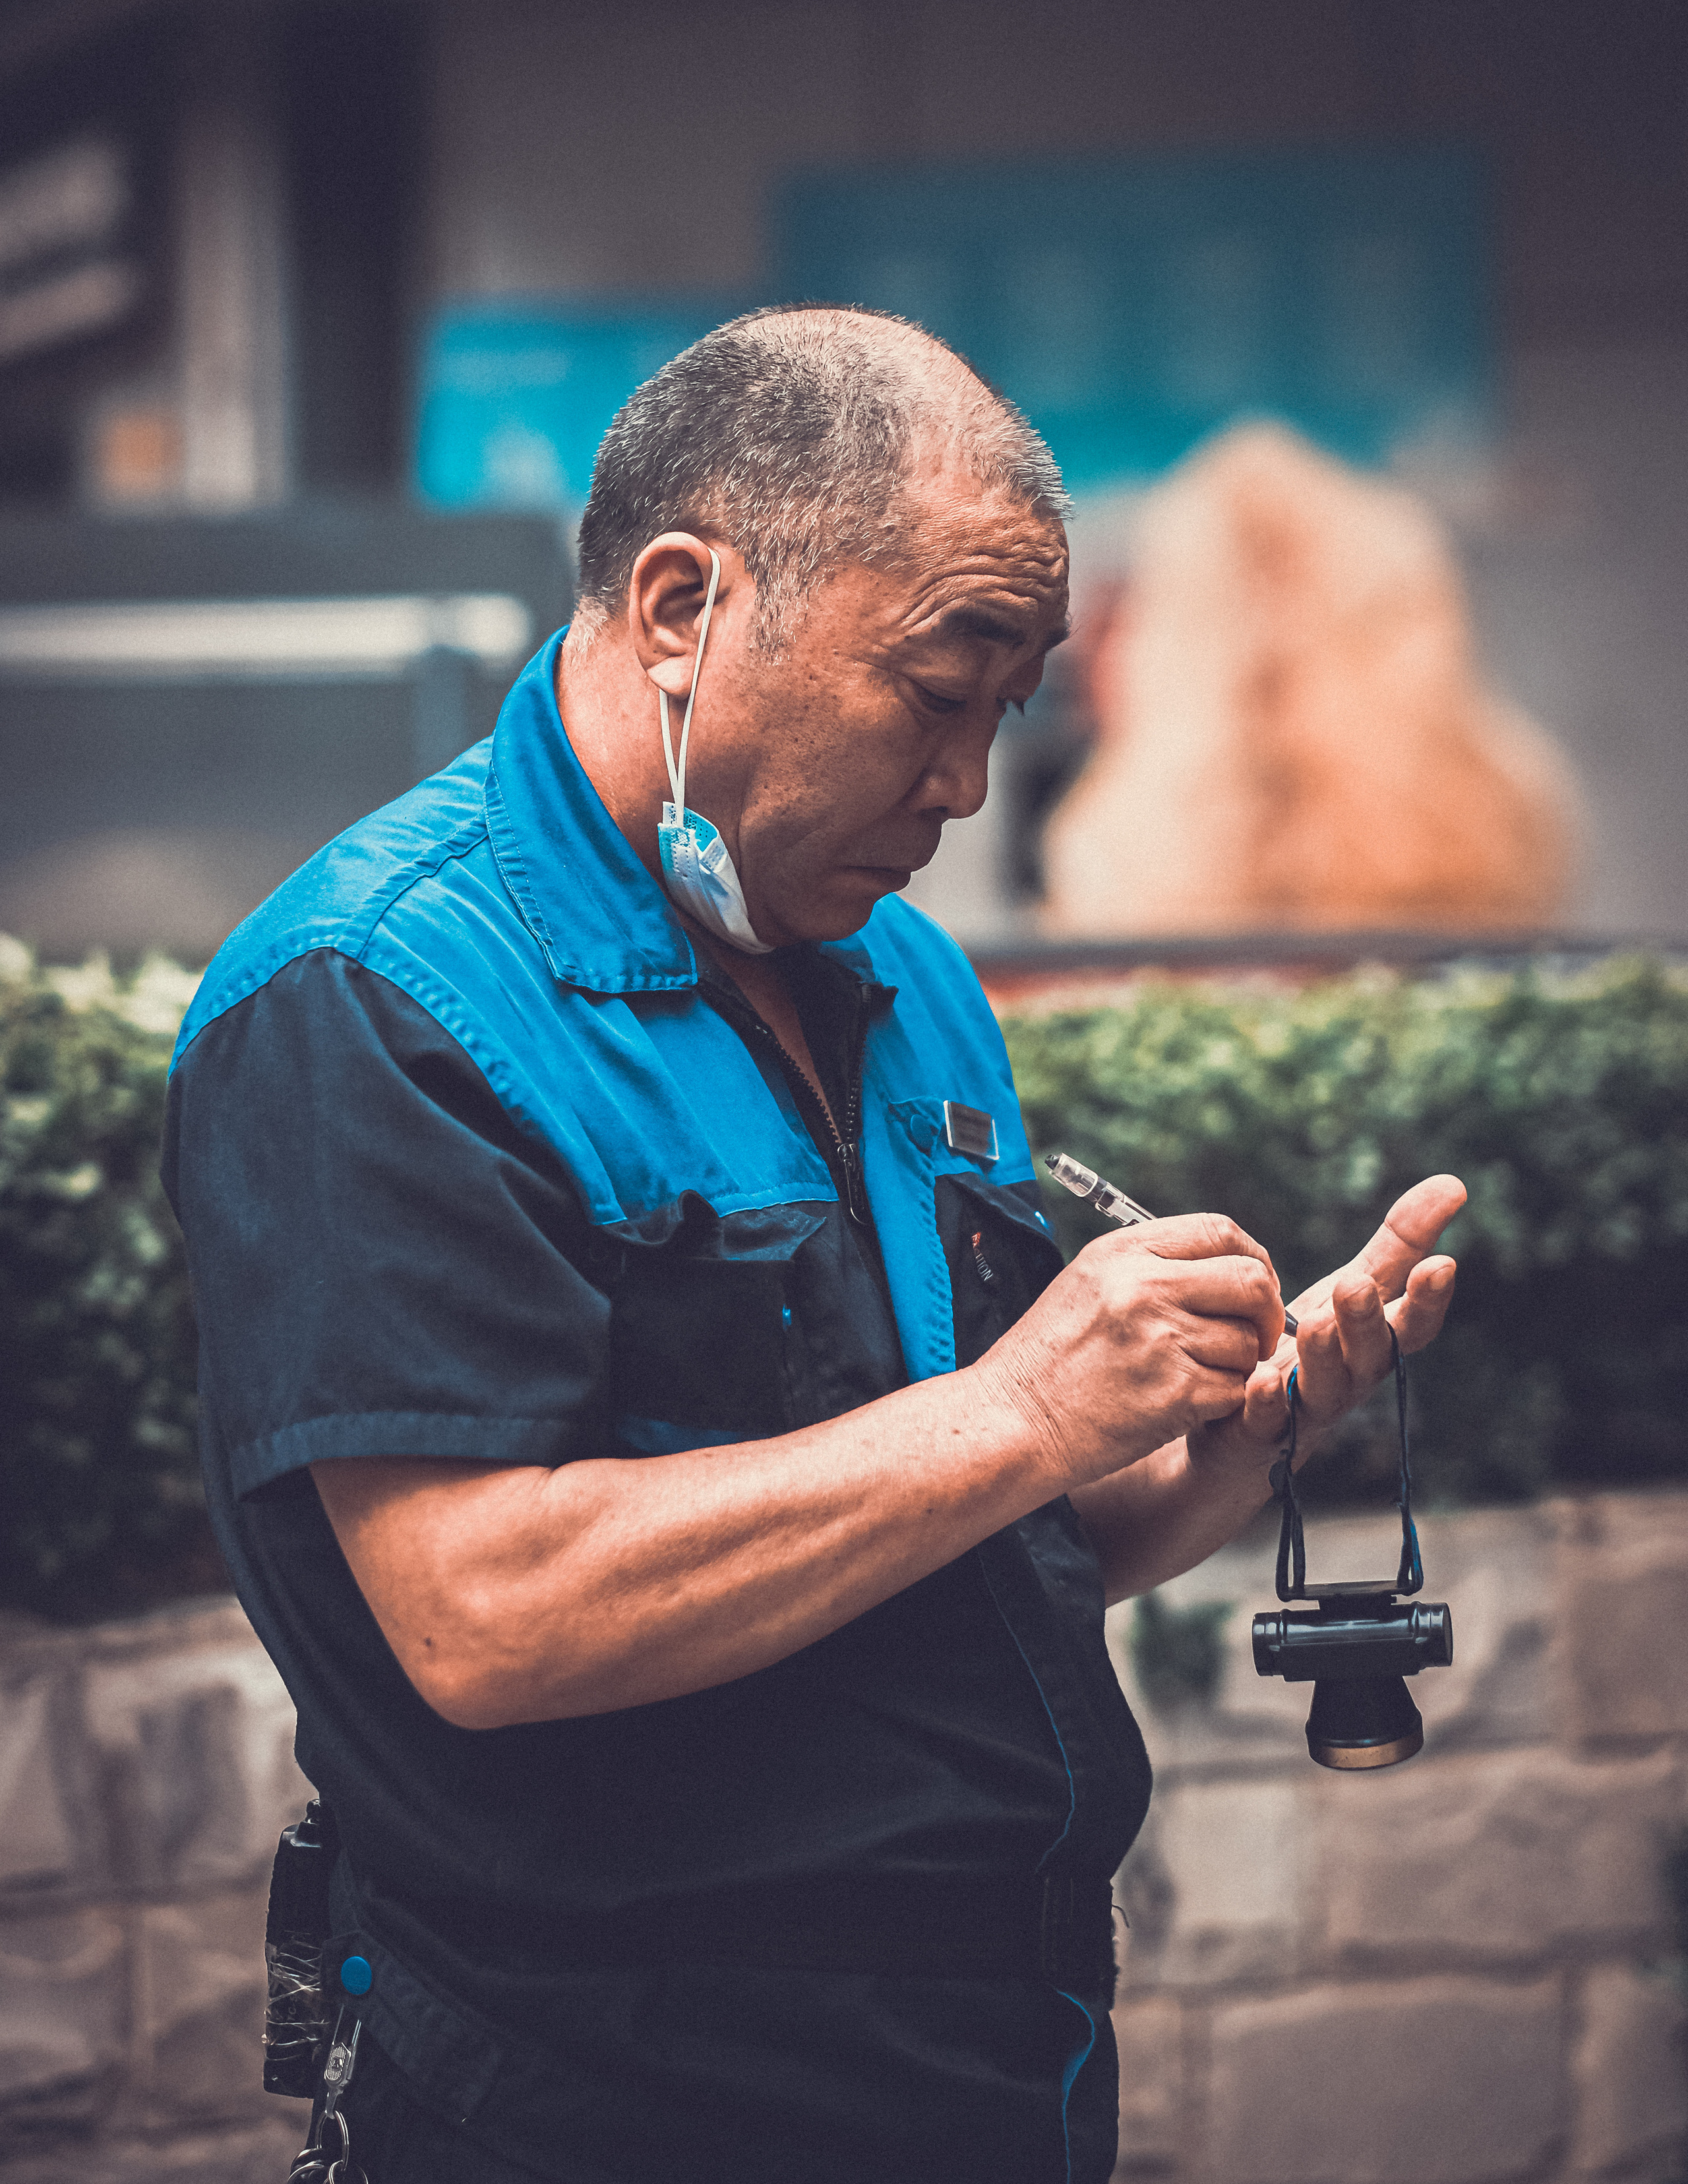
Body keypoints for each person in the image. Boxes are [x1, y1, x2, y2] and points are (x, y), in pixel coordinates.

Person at [162, 307, 1462, 2184]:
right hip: (609, 2103)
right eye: (939, 690)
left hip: (992, 2069)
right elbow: (486, 1612)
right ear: (682, 605)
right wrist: (1024, 1405)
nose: (967, 792)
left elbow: (967, 1541)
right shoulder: (378, 994)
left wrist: (1232, 1436)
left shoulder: (908, 982)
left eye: (1011, 715)